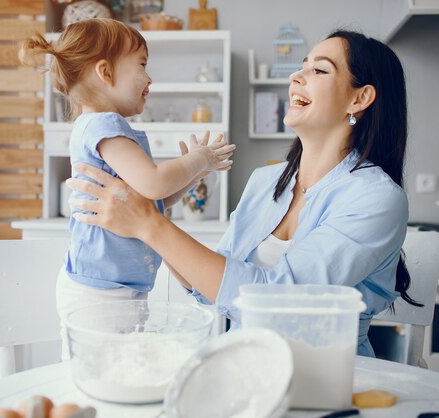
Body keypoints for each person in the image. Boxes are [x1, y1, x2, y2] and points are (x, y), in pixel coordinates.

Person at [66, 29, 419, 357]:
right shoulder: (265, 182)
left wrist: (149, 224)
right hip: (242, 365)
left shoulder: (376, 199)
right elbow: (208, 287)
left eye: (320, 71)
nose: (296, 77)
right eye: (301, 67)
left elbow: (278, 300)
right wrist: (148, 211)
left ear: (360, 98)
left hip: (329, 375)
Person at [19, 18, 235, 354]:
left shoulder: (98, 126)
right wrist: (199, 160)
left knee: (113, 372)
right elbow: (154, 182)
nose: (150, 78)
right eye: (143, 64)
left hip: (114, 288)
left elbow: (152, 198)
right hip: (102, 293)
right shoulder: (105, 124)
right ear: (105, 72)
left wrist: (192, 177)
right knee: (101, 376)